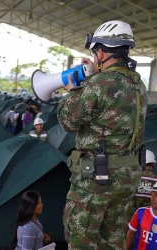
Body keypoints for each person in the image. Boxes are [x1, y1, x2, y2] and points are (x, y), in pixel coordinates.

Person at [57, 20, 148, 249]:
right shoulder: (138, 83)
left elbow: (68, 120)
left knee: (81, 240)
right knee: (113, 240)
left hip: (97, 178)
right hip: (127, 176)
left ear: (100, 51)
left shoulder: (100, 83)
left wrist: (71, 93)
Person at [126, 181, 157, 249]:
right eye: (152, 194)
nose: (152, 198)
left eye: (156, 195)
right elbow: (131, 234)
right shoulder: (141, 212)